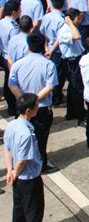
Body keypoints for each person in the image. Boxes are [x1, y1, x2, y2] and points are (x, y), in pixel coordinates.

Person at [8, 34, 59, 174]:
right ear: (43, 46)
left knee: (21, 138)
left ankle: (20, 162)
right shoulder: (48, 64)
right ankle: (40, 165)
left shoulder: (18, 64)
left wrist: (23, 100)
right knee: (41, 139)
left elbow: (12, 84)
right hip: (41, 108)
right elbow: (50, 86)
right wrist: (34, 100)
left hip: (22, 108)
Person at [3, 93, 45, 222]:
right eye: (36, 105)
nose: (38, 107)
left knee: (19, 210)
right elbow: (22, 161)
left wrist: (10, 171)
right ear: (28, 110)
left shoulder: (11, 125)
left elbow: (7, 149)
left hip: (17, 178)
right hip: (29, 179)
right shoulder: (27, 133)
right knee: (34, 212)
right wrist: (15, 172)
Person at [57, 9, 87, 126]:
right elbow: (77, 36)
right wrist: (70, 23)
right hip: (71, 62)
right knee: (77, 89)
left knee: (72, 88)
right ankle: (81, 115)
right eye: (77, 18)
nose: (79, 20)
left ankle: (71, 112)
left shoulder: (72, 27)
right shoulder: (66, 29)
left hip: (76, 59)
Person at [40, 0, 67, 106]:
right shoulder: (62, 19)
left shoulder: (46, 17)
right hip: (57, 51)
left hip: (48, 49)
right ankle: (56, 98)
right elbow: (60, 38)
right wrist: (51, 51)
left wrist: (46, 47)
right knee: (59, 75)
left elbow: (43, 33)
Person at [1, 0, 21, 116]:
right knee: (13, 82)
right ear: (14, 12)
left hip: (4, 56)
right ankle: (14, 107)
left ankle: (11, 106)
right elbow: (15, 45)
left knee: (8, 80)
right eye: (19, 10)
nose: (20, 11)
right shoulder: (13, 27)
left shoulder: (2, 22)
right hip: (12, 58)